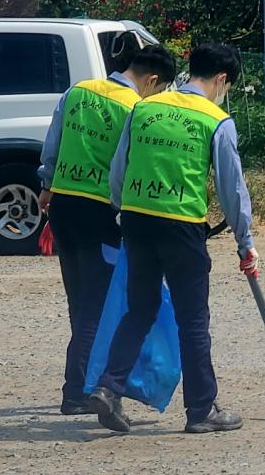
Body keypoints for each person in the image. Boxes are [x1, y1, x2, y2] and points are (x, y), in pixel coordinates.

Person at [88, 43, 257, 435]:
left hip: (136, 220)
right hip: (181, 226)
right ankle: (201, 409)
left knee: (140, 310)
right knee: (193, 320)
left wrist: (122, 209)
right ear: (221, 80)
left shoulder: (144, 108)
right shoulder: (216, 120)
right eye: (226, 88)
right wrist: (245, 242)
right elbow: (233, 190)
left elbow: (119, 167)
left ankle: (108, 388)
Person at [37, 44, 176, 416]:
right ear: (152, 80)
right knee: (95, 305)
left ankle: (82, 379)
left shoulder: (77, 91)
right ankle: (78, 390)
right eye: (160, 89)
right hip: (101, 212)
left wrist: (46, 184)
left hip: (63, 206)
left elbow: (53, 143)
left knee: (79, 298)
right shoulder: (136, 108)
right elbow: (130, 163)